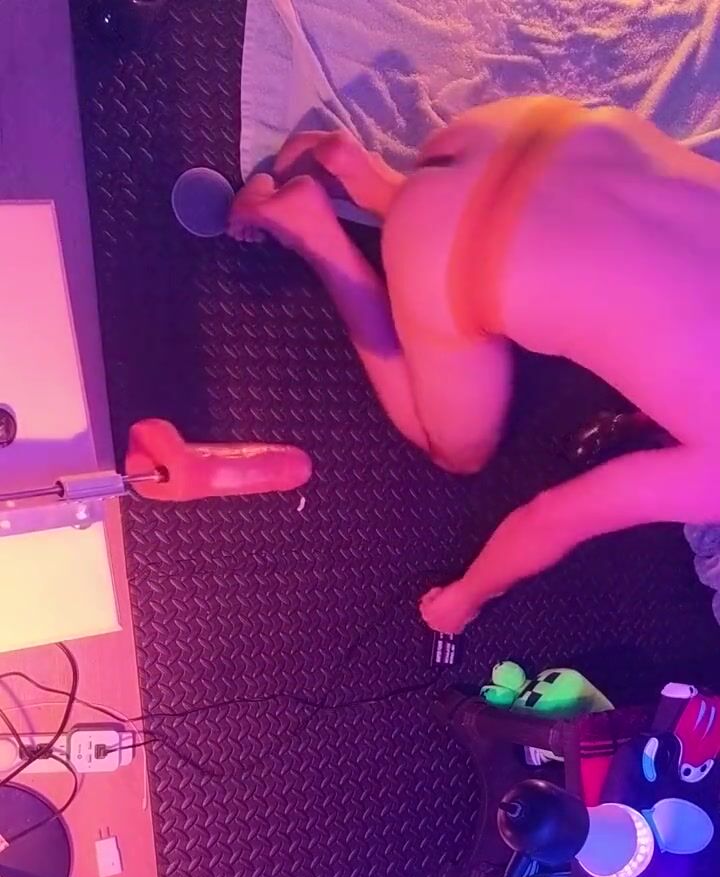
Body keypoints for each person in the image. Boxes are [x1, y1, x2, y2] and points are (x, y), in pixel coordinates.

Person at [228, 95, 720, 633]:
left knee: (540, 222)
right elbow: (553, 517)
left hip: (522, 126)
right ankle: (312, 231)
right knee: (454, 449)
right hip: (456, 252)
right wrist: (466, 596)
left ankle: (377, 183)